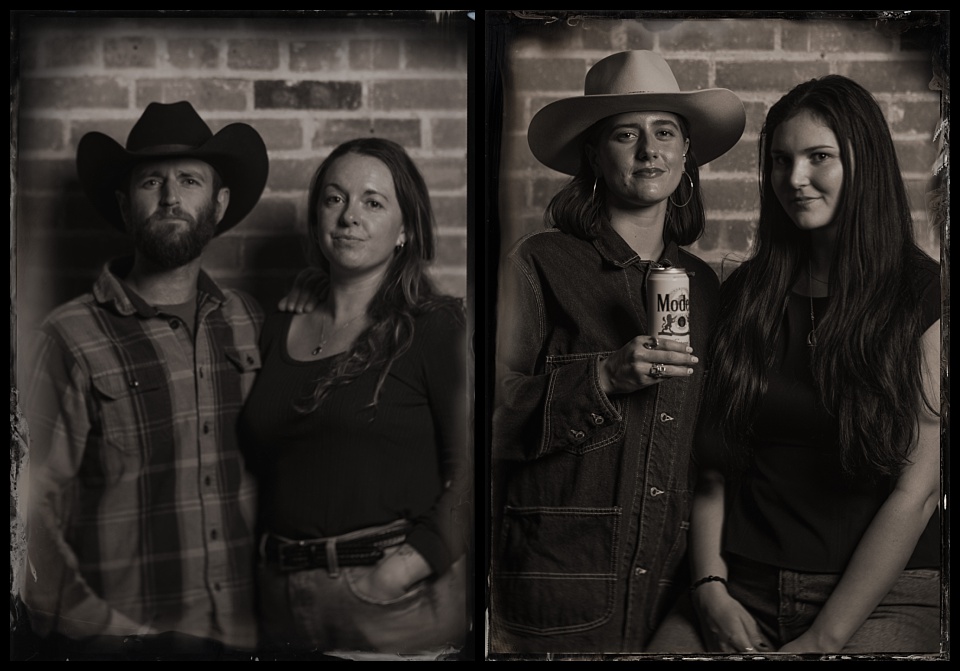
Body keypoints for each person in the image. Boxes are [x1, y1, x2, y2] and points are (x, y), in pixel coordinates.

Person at [647, 75, 942, 655]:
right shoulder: (746, 295)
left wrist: (823, 639)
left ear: (866, 164)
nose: (795, 179)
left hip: (883, 596)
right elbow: (712, 466)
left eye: (819, 157)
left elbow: (919, 489)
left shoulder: (925, 297)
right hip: (741, 586)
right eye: (781, 161)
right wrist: (708, 588)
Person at [488, 50, 746, 653]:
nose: (648, 150)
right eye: (625, 134)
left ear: (686, 156)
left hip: (668, 590)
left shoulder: (706, 287)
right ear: (594, 157)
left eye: (665, 133)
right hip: (557, 591)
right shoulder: (537, 264)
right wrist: (600, 378)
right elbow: (484, 418)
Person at [22, 100, 269, 657]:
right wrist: (106, 631)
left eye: (189, 180)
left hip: (248, 635)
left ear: (219, 201)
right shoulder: (68, 338)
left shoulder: (250, 323)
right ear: (124, 203)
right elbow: (28, 511)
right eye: (151, 181)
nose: (170, 198)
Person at [237, 137, 471, 658]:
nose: (349, 217)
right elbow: (256, 467)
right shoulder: (276, 326)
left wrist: (399, 570)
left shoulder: (437, 329)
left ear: (406, 229)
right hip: (277, 600)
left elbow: (475, 471)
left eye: (373, 202)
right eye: (334, 199)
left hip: (388, 600)